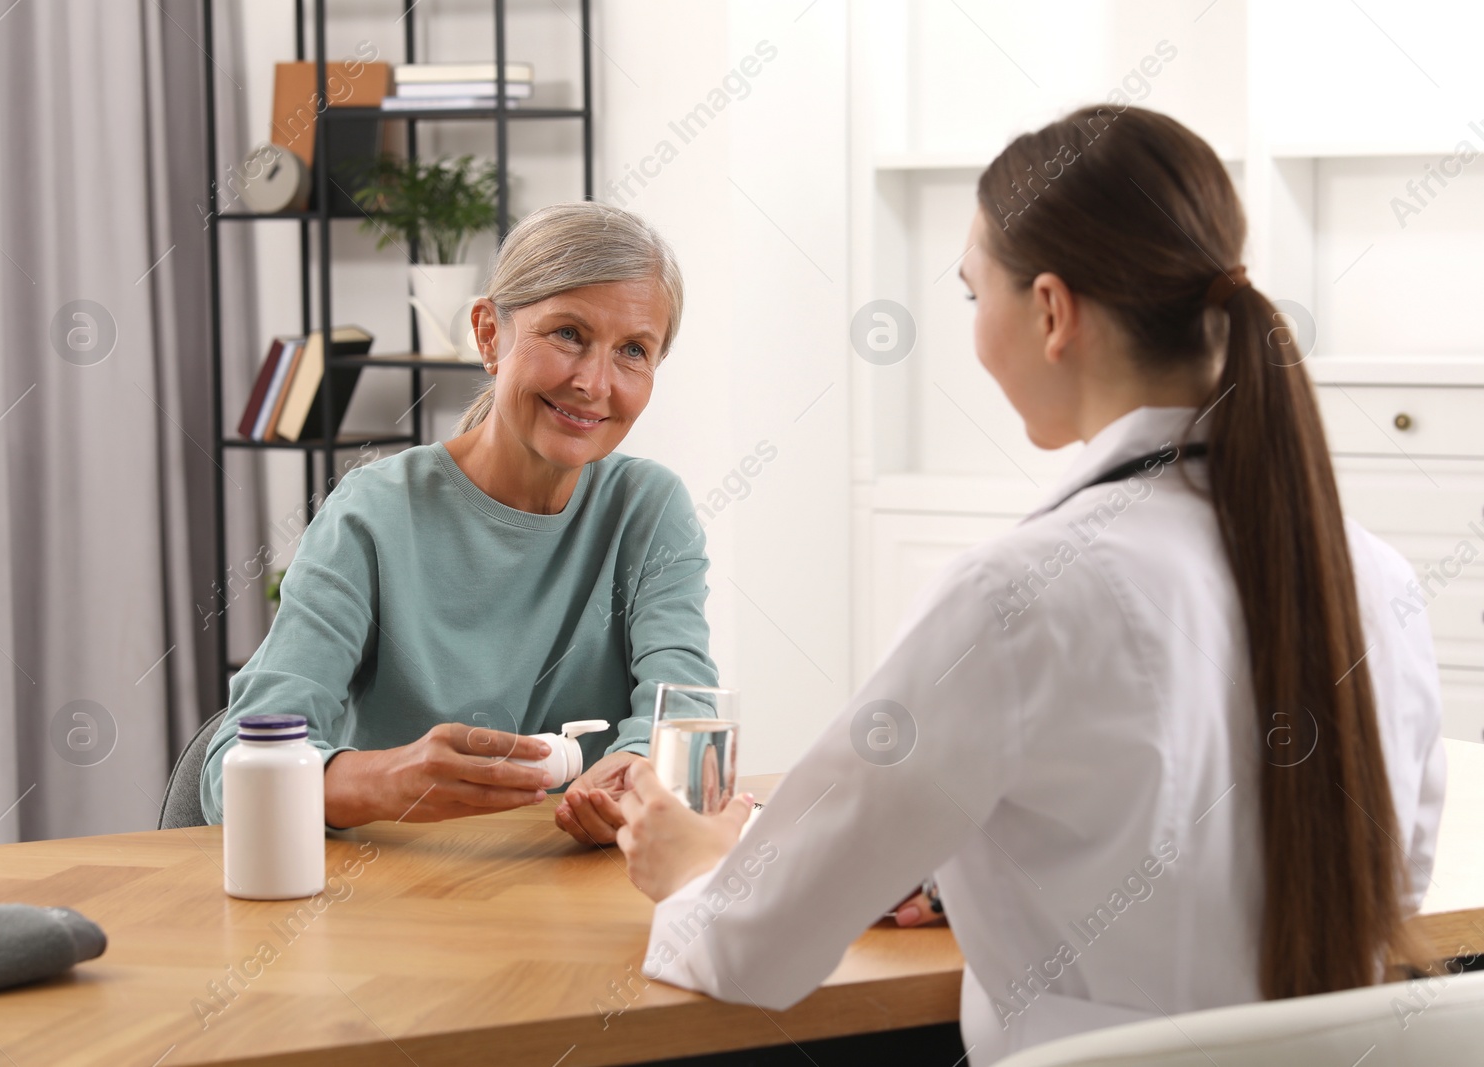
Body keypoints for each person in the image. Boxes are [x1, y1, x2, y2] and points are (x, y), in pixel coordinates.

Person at [613, 105, 1446, 1065]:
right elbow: (1382, 895)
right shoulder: (1374, 577)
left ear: (1052, 311)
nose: (974, 333)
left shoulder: (1017, 597)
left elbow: (752, 948)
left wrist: (690, 872)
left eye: (974, 296)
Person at [200, 201, 718, 845]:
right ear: (489, 334)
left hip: (581, 897)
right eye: (567, 335)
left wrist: (640, 768)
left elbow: (686, 717)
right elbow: (232, 776)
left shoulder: (649, 509)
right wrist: (386, 779)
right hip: (397, 903)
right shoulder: (375, 513)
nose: (593, 382)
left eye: (633, 351)